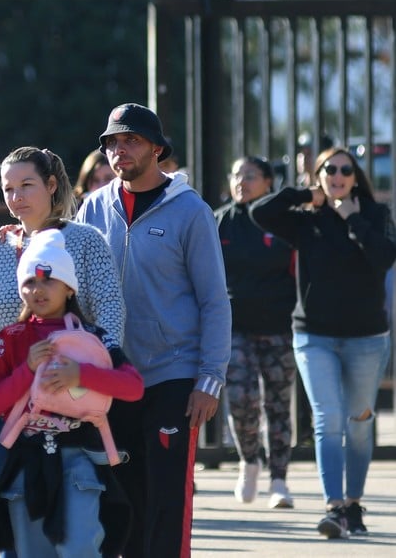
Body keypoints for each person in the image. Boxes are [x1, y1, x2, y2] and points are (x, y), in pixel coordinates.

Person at [76, 103, 231, 558]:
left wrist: (210, 379)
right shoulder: (93, 208)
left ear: (158, 149)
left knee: (167, 501)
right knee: (122, 500)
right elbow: (75, 283)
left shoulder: (190, 211)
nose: (119, 150)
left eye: (131, 140)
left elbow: (214, 301)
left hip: (173, 376)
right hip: (112, 377)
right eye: (112, 142)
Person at [250, 146, 396, 539]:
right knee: (328, 419)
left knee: (359, 422)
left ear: (355, 176)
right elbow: (259, 212)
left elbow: (385, 259)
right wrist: (301, 195)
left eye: (346, 169)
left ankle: (353, 502)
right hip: (314, 336)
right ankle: (334, 506)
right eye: (330, 169)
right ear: (319, 174)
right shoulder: (305, 219)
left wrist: (354, 220)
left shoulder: (375, 214)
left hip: (366, 337)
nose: (338, 175)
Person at [0, 228, 143, 557]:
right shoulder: (10, 338)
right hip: (27, 461)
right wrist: (27, 370)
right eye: (29, 282)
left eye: (48, 281)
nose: (38, 290)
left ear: (69, 288)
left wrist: (79, 374)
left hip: (80, 459)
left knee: (80, 547)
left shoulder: (93, 337)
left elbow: (133, 386)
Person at [0, 146, 125, 476]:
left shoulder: (87, 240)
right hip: (13, 400)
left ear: (51, 185)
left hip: (73, 396)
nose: (17, 196)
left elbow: (109, 309)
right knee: (17, 507)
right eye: (8, 189)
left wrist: (100, 372)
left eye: (27, 185)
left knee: (77, 506)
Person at [214, 156, 297, 508]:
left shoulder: (283, 223)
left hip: (278, 326)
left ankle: (279, 479)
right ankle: (250, 460)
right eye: (236, 175)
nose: (241, 182)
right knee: (241, 398)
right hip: (237, 327)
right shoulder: (221, 222)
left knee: (278, 403)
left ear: (268, 182)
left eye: (250, 176)